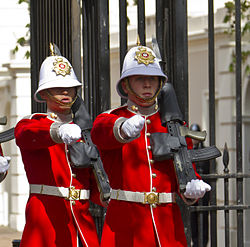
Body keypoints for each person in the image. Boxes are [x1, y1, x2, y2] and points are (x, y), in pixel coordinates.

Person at [91, 45, 211, 247]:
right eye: (139, 78)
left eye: (152, 78)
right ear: (127, 85)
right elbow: (99, 132)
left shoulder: (174, 126)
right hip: (126, 227)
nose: (147, 83)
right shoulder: (113, 118)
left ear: (160, 83)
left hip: (166, 227)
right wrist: (122, 128)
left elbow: (183, 167)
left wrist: (191, 187)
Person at [15, 52, 100, 247]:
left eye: (70, 88)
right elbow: (26, 133)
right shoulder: (34, 123)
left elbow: (94, 181)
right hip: (47, 219)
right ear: (44, 94)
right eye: (58, 88)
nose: (65, 92)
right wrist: (57, 131)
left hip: (82, 222)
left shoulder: (85, 129)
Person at [190, 123, 210, 247]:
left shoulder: (205, 150)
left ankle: (203, 242)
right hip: (192, 190)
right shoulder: (188, 151)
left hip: (204, 190)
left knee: (203, 217)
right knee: (193, 216)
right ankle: (195, 241)